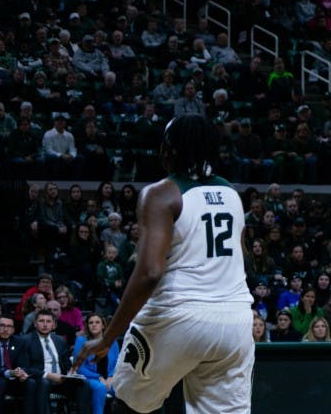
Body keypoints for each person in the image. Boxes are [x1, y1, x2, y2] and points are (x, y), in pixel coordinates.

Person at [75, 114, 254, 414]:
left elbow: (149, 272)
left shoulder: (160, 194)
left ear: (170, 149)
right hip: (235, 322)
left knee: (129, 403)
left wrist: (108, 337)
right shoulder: (232, 194)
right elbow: (242, 255)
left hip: (180, 314)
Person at [15, 309, 90, 414]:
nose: (45, 324)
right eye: (41, 321)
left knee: (84, 384)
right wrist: (48, 375)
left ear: (54, 325)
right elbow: (26, 367)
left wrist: (70, 373)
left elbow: (67, 364)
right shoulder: (26, 340)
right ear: (35, 324)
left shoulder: (60, 340)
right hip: (41, 379)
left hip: (61, 380)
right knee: (44, 382)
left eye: (48, 321)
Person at [72, 313, 117, 414]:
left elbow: (117, 363)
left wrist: (111, 377)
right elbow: (79, 367)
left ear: (103, 325)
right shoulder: (81, 341)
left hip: (109, 378)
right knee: (100, 387)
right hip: (90, 378)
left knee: (123, 387)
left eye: (97, 322)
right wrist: (99, 377)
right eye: (90, 323)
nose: (94, 325)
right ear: (87, 326)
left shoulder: (112, 341)